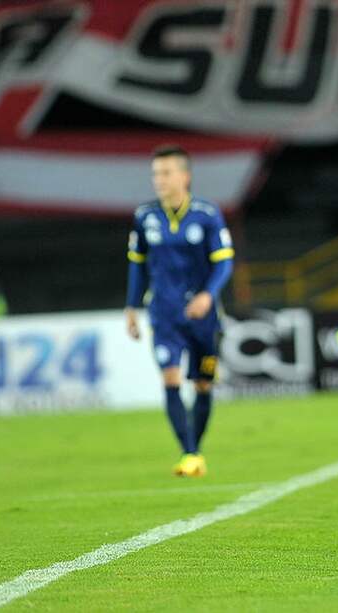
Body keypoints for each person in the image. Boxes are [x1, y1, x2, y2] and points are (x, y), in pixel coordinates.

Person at [125, 145, 235, 477]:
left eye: (166, 173)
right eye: (155, 174)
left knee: (202, 384)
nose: (159, 180)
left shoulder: (207, 213)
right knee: (170, 376)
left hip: (202, 316)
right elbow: (137, 265)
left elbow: (224, 263)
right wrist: (131, 306)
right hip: (164, 313)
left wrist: (207, 295)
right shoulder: (144, 216)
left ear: (184, 176)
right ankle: (189, 452)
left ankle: (194, 450)